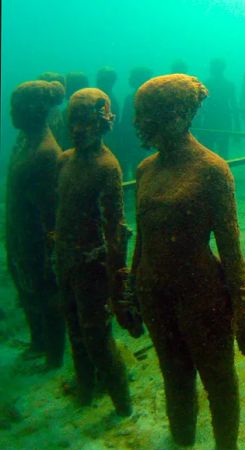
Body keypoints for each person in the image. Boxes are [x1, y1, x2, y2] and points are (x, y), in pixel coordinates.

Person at [132, 74, 245, 450]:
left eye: (147, 115)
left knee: (218, 376)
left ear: (179, 114)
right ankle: (183, 438)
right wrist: (132, 289)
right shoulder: (144, 170)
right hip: (154, 290)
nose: (138, 123)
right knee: (173, 372)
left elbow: (230, 247)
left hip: (201, 292)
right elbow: (143, 236)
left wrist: (243, 311)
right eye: (139, 115)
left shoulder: (211, 170)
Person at [55, 88, 137, 415]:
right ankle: (85, 390)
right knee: (75, 331)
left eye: (85, 121)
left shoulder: (108, 167)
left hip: (93, 268)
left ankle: (123, 404)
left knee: (96, 339)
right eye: (72, 120)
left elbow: (115, 228)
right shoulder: (63, 161)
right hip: (65, 261)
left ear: (103, 122)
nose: (76, 129)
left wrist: (118, 281)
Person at [6, 80, 66, 369]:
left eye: (14, 107)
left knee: (46, 292)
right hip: (23, 236)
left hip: (37, 241)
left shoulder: (44, 153)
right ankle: (40, 340)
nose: (9, 113)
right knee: (34, 291)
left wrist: (49, 251)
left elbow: (50, 213)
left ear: (31, 111)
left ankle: (54, 353)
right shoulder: (27, 144)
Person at [200, 58, 240, 159]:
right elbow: (234, 107)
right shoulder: (229, 84)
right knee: (221, 151)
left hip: (211, 120)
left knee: (210, 152)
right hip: (222, 120)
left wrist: (237, 127)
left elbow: (200, 105)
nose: (210, 69)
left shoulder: (207, 83)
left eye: (212, 67)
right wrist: (237, 126)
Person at [117, 66, 153, 179]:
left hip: (129, 141)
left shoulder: (131, 98)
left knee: (125, 170)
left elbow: (125, 122)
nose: (129, 79)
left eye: (131, 76)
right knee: (140, 172)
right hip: (141, 140)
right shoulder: (150, 97)